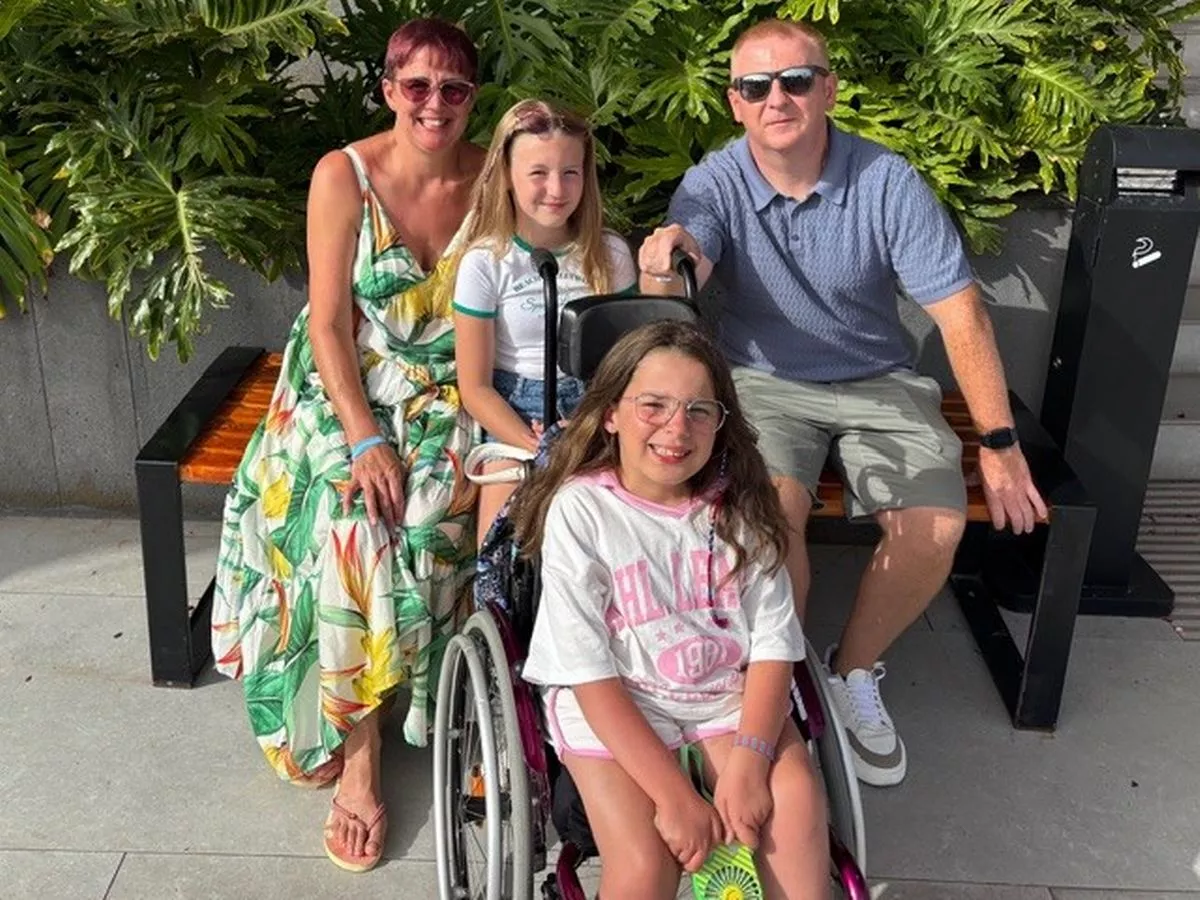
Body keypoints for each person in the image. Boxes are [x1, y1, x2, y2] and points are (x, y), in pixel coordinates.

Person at [638, 18, 1047, 788]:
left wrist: (998, 442)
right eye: (756, 85)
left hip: (878, 379)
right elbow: (682, 268)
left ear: (826, 88)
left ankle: (851, 669)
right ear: (734, 102)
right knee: (772, 516)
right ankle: (779, 685)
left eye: (796, 79)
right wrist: (668, 261)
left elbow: (960, 312)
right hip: (758, 379)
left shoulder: (885, 182)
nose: (777, 98)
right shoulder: (715, 181)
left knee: (935, 525)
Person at [210, 18, 486, 872]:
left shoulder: (496, 174)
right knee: (352, 518)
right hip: (347, 382)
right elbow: (328, 324)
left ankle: (451, 701)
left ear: (474, 99)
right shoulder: (346, 176)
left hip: (453, 383)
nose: (433, 104)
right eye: (416, 86)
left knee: (445, 505)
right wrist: (364, 435)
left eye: (453, 89)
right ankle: (360, 754)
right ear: (388, 89)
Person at [512, 321, 830, 900]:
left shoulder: (743, 513)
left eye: (698, 411)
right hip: (618, 705)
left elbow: (775, 645)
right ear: (610, 413)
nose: (676, 428)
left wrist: (750, 763)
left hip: (724, 701)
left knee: (797, 813)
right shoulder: (583, 512)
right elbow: (587, 670)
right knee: (643, 864)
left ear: (720, 424)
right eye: (653, 405)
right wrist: (676, 798)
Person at [452, 98, 638, 545]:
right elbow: (475, 387)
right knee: (504, 527)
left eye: (569, 173)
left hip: (595, 410)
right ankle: (500, 611)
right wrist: (537, 447)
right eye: (538, 173)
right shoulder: (486, 263)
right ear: (508, 178)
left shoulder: (609, 255)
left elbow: (631, 360)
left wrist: (591, 425)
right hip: (516, 412)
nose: (556, 189)